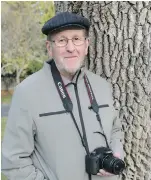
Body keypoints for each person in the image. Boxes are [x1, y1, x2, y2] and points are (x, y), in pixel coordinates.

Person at [2, 12, 124, 180]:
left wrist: (117, 153)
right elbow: (13, 162)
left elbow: (115, 129)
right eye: (61, 41)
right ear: (49, 48)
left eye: (76, 39)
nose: (70, 48)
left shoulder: (102, 86)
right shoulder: (27, 92)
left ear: (86, 45)